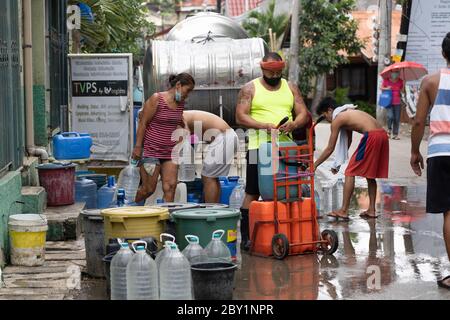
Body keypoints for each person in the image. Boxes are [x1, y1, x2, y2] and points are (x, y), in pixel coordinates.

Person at [235, 52, 310, 250]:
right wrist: (263, 125)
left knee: (286, 189)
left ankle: (285, 232)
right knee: (253, 191)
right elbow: (240, 117)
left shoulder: (290, 87)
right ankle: (247, 237)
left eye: (278, 72)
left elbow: (304, 113)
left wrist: (294, 124)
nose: (275, 76)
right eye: (271, 72)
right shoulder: (250, 88)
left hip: (285, 148)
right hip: (257, 147)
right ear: (262, 69)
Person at [410, 32, 450, 290]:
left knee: (449, 212)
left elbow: (418, 121)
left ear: (443, 53)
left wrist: (415, 152)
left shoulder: (430, 81)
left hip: (441, 152)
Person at [314, 97, 389, 220]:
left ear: (329, 110)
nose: (327, 121)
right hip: (381, 135)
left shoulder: (338, 119)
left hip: (372, 136)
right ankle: (372, 210)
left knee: (350, 172)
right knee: (370, 175)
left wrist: (315, 164)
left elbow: (330, 148)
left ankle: (343, 210)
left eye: (324, 116)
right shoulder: (346, 113)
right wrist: (337, 163)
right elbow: (347, 141)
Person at [133, 73, 195, 203]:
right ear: (178, 85)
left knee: (171, 187)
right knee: (148, 189)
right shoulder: (157, 98)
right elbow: (143, 123)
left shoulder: (180, 103)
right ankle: (128, 206)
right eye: (187, 90)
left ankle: (165, 220)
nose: (187, 95)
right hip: (152, 151)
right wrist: (138, 147)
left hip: (170, 153)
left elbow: (177, 121)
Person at [182, 110, 238, 203]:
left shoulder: (178, 116)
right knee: (212, 177)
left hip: (224, 137)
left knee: (208, 177)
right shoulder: (180, 114)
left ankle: (210, 210)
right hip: (227, 136)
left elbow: (185, 135)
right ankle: (216, 209)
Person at [381, 69, 404, 139]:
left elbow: (402, 91)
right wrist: (387, 88)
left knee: (397, 118)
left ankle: (395, 134)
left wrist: (402, 90)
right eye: (393, 72)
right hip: (388, 102)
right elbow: (381, 88)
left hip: (397, 102)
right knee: (390, 116)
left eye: (397, 72)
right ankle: (389, 129)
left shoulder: (401, 81)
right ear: (390, 73)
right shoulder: (386, 80)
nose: (395, 74)